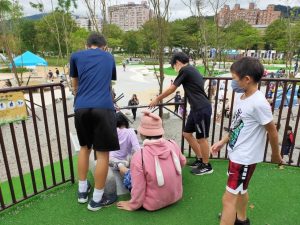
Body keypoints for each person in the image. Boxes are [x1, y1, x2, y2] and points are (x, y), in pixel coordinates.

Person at [211, 57, 282, 225]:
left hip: (244, 158)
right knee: (240, 190)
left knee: (228, 200)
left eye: (235, 78)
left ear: (247, 79)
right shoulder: (242, 97)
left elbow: (272, 131)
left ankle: (236, 219)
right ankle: (242, 220)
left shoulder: (259, 103)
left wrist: (276, 155)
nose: (232, 82)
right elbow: (238, 125)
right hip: (237, 154)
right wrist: (223, 141)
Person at [70, 33, 119, 211]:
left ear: (86, 44)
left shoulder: (75, 56)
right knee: (103, 153)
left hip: (81, 107)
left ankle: (82, 192)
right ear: (104, 46)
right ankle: (96, 200)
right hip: (103, 107)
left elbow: (75, 83)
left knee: (84, 148)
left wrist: (78, 93)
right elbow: (109, 82)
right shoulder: (109, 57)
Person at [149, 52, 213, 175]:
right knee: (187, 133)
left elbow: (173, 88)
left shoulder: (185, 70)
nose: (175, 68)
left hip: (201, 107)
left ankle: (206, 165)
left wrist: (157, 99)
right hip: (196, 108)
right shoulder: (191, 70)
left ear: (177, 62)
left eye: (174, 66)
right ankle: (200, 159)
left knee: (202, 138)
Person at [116, 111, 186, 211]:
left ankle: (119, 165)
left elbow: (139, 187)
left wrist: (133, 205)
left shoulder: (140, 156)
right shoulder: (173, 144)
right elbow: (183, 162)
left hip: (152, 203)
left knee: (125, 171)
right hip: (176, 196)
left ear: (142, 134)